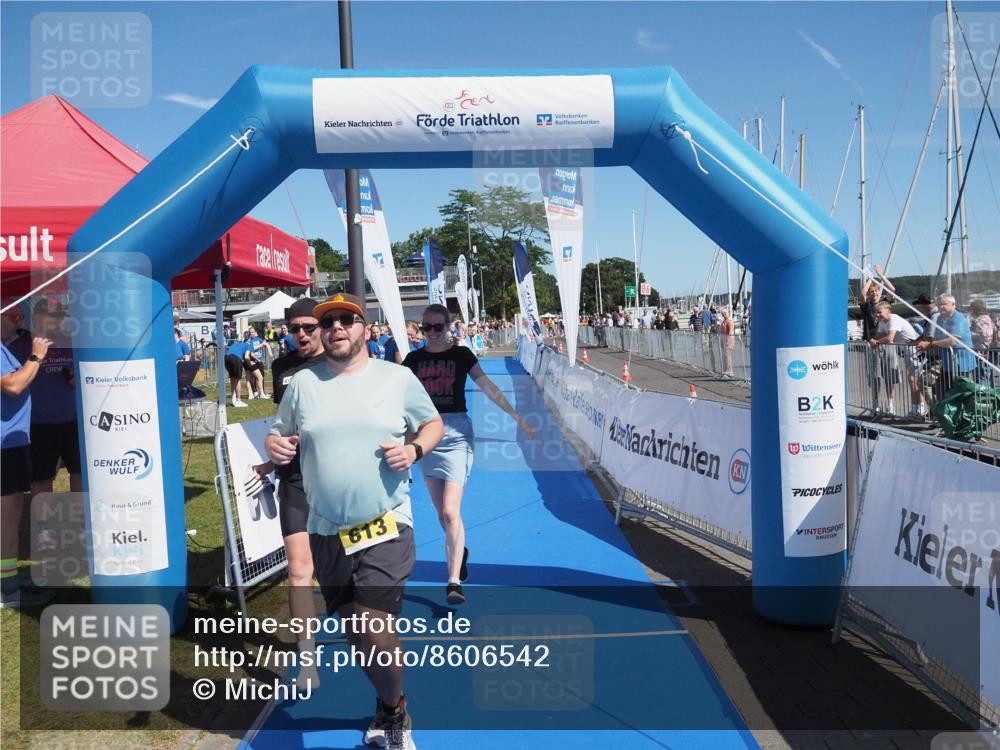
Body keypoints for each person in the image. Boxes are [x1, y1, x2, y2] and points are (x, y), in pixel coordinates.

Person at [266, 293, 443, 750]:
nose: (336, 328)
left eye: (348, 320)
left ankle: (396, 713)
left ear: (365, 329)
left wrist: (415, 450)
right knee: (356, 631)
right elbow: (278, 430)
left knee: (369, 620)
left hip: (387, 521)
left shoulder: (397, 378)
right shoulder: (303, 384)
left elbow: (432, 425)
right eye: (329, 323)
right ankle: (388, 705)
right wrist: (276, 446)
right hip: (326, 529)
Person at [403, 304, 535, 606]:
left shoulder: (461, 355)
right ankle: (459, 550)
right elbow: (398, 397)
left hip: (457, 435)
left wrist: (516, 417)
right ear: (421, 329)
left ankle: (453, 581)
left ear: (450, 327)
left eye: (439, 327)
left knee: (450, 511)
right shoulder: (413, 360)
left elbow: (486, 386)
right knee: (442, 515)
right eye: (427, 327)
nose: (433, 333)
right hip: (425, 436)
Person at [249, 298, 324, 686]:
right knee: (299, 570)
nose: (302, 335)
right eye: (295, 328)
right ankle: (307, 658)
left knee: (343, 576)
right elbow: (282, 426)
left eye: (309, 327)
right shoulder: (281, 367)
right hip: (295, 480)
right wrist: (272, 453)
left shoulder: (340, 364)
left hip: (338, 484)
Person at [1, 315, 52, 608]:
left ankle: (8, 579)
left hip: (13, 441)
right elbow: (14, 385)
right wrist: (36, 355)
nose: (17, 323)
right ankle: (7, 590)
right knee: (7, 519)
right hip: (4, 444)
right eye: (12, 317)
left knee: (11, 514)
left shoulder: (4, 347)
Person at [28, 301, 83, 552]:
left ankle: (82, 527)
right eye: (54, 316)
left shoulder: (70, 342)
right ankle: (44, 530)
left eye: (61, 316)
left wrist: (74, 380)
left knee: (80, 474)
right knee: (42, 479)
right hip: (38, 423)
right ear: (38, 317)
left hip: (72, 420)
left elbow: (80, 376)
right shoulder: (22, 345)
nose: (59, 321)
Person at [917, 294, 977, 402]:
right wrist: (922, 343)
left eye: (944, 304)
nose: (941, 307)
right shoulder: (940, 318)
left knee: (961, 391)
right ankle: (941, 412)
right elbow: (936, 337)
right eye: (939, 305)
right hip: (947, 362)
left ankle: (959, 415)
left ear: (953, 304)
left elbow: (952, 340)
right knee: (942, 389)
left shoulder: (958, 318)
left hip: (961, 362)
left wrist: (930, 345)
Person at [870, 300, 923, 418]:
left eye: (880, 312)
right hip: (908, 350)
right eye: (876, 313)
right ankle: (916, 410)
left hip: (916, 350)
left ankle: (920, 409)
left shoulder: (894, 319)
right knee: (913, 380)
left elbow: (889, 339)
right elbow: (879, 335)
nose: (877, 315)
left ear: (888, 311)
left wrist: (877, 342)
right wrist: (874, 340)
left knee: (915, 380)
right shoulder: (883, 321)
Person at [969, 299, 996, 388]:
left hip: (981, 352)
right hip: (985, 351)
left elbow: (985, 334)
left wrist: (969, 334)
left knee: (982, 377)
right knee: (986, 376)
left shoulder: (980, 320)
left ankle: (983, 398)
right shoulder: (987, 319)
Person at [225, 337, 251, 408]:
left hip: (226, 358)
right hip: (235, 359)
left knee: (232, 378)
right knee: (237, 380)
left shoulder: (236, 344)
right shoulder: (249, 345)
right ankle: (238, 401)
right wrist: (250, 364)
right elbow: (246, 357)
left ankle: (233, 398)